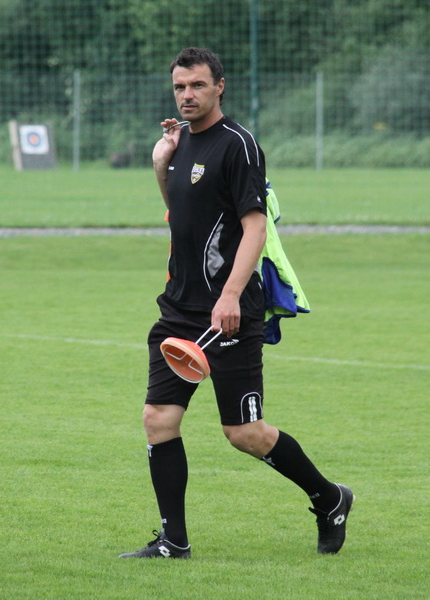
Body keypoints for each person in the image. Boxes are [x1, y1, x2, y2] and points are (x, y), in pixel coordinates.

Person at [119, 47, 353, 560]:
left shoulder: (238, 145)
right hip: (178, 309)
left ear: (219, 86)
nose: (187, 95)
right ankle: (173, 542)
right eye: (179, 87)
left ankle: (329, 498)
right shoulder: (179, 143)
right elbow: (181, 213)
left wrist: (228, 296)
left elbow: (255, 227)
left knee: (244, 433)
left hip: (228, 312)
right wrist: (161, 164)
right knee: (158, 419)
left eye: (197, 85)